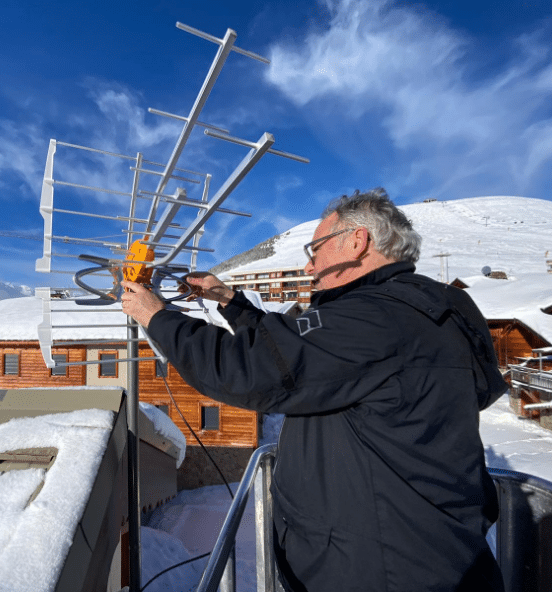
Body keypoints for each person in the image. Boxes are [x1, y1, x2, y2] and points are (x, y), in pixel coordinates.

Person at [121, 188, 507, 592]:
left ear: (357, 242)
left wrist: (158, 317)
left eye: (316, 249)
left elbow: (247, 368)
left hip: (381, 571)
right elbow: (295, 357)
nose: (309, 266)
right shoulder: (410, 312)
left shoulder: (372, 318)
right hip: (413, 554)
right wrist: (230, 301)